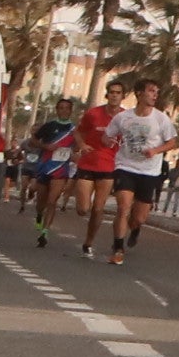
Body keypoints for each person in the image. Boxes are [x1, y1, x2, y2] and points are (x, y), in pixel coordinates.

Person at [103, 84, 179, 260]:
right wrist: (107, 140)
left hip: (150, 172)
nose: (155, 95)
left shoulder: (161, 119)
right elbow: (107, 135)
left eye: (157, 92)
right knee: (123, 208)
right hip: (125, 167)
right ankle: (118, 247)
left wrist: (155, 151)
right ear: (139, 94)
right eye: (151, 91)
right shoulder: (123, 117)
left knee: (138, 218)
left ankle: (135, 228)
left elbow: (172, 142)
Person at [66, 96, 121, 255]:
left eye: (118, 92)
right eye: (112, 92)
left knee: (98, 209)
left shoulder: (125, 116)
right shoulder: (94, 113)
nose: (115, 95)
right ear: (107, 95)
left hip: (109, 166)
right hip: (88, 164)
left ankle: (88, 242)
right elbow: (78, 132)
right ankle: (81, 204)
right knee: (83, 209)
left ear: (123, 96)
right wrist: (82, 145)